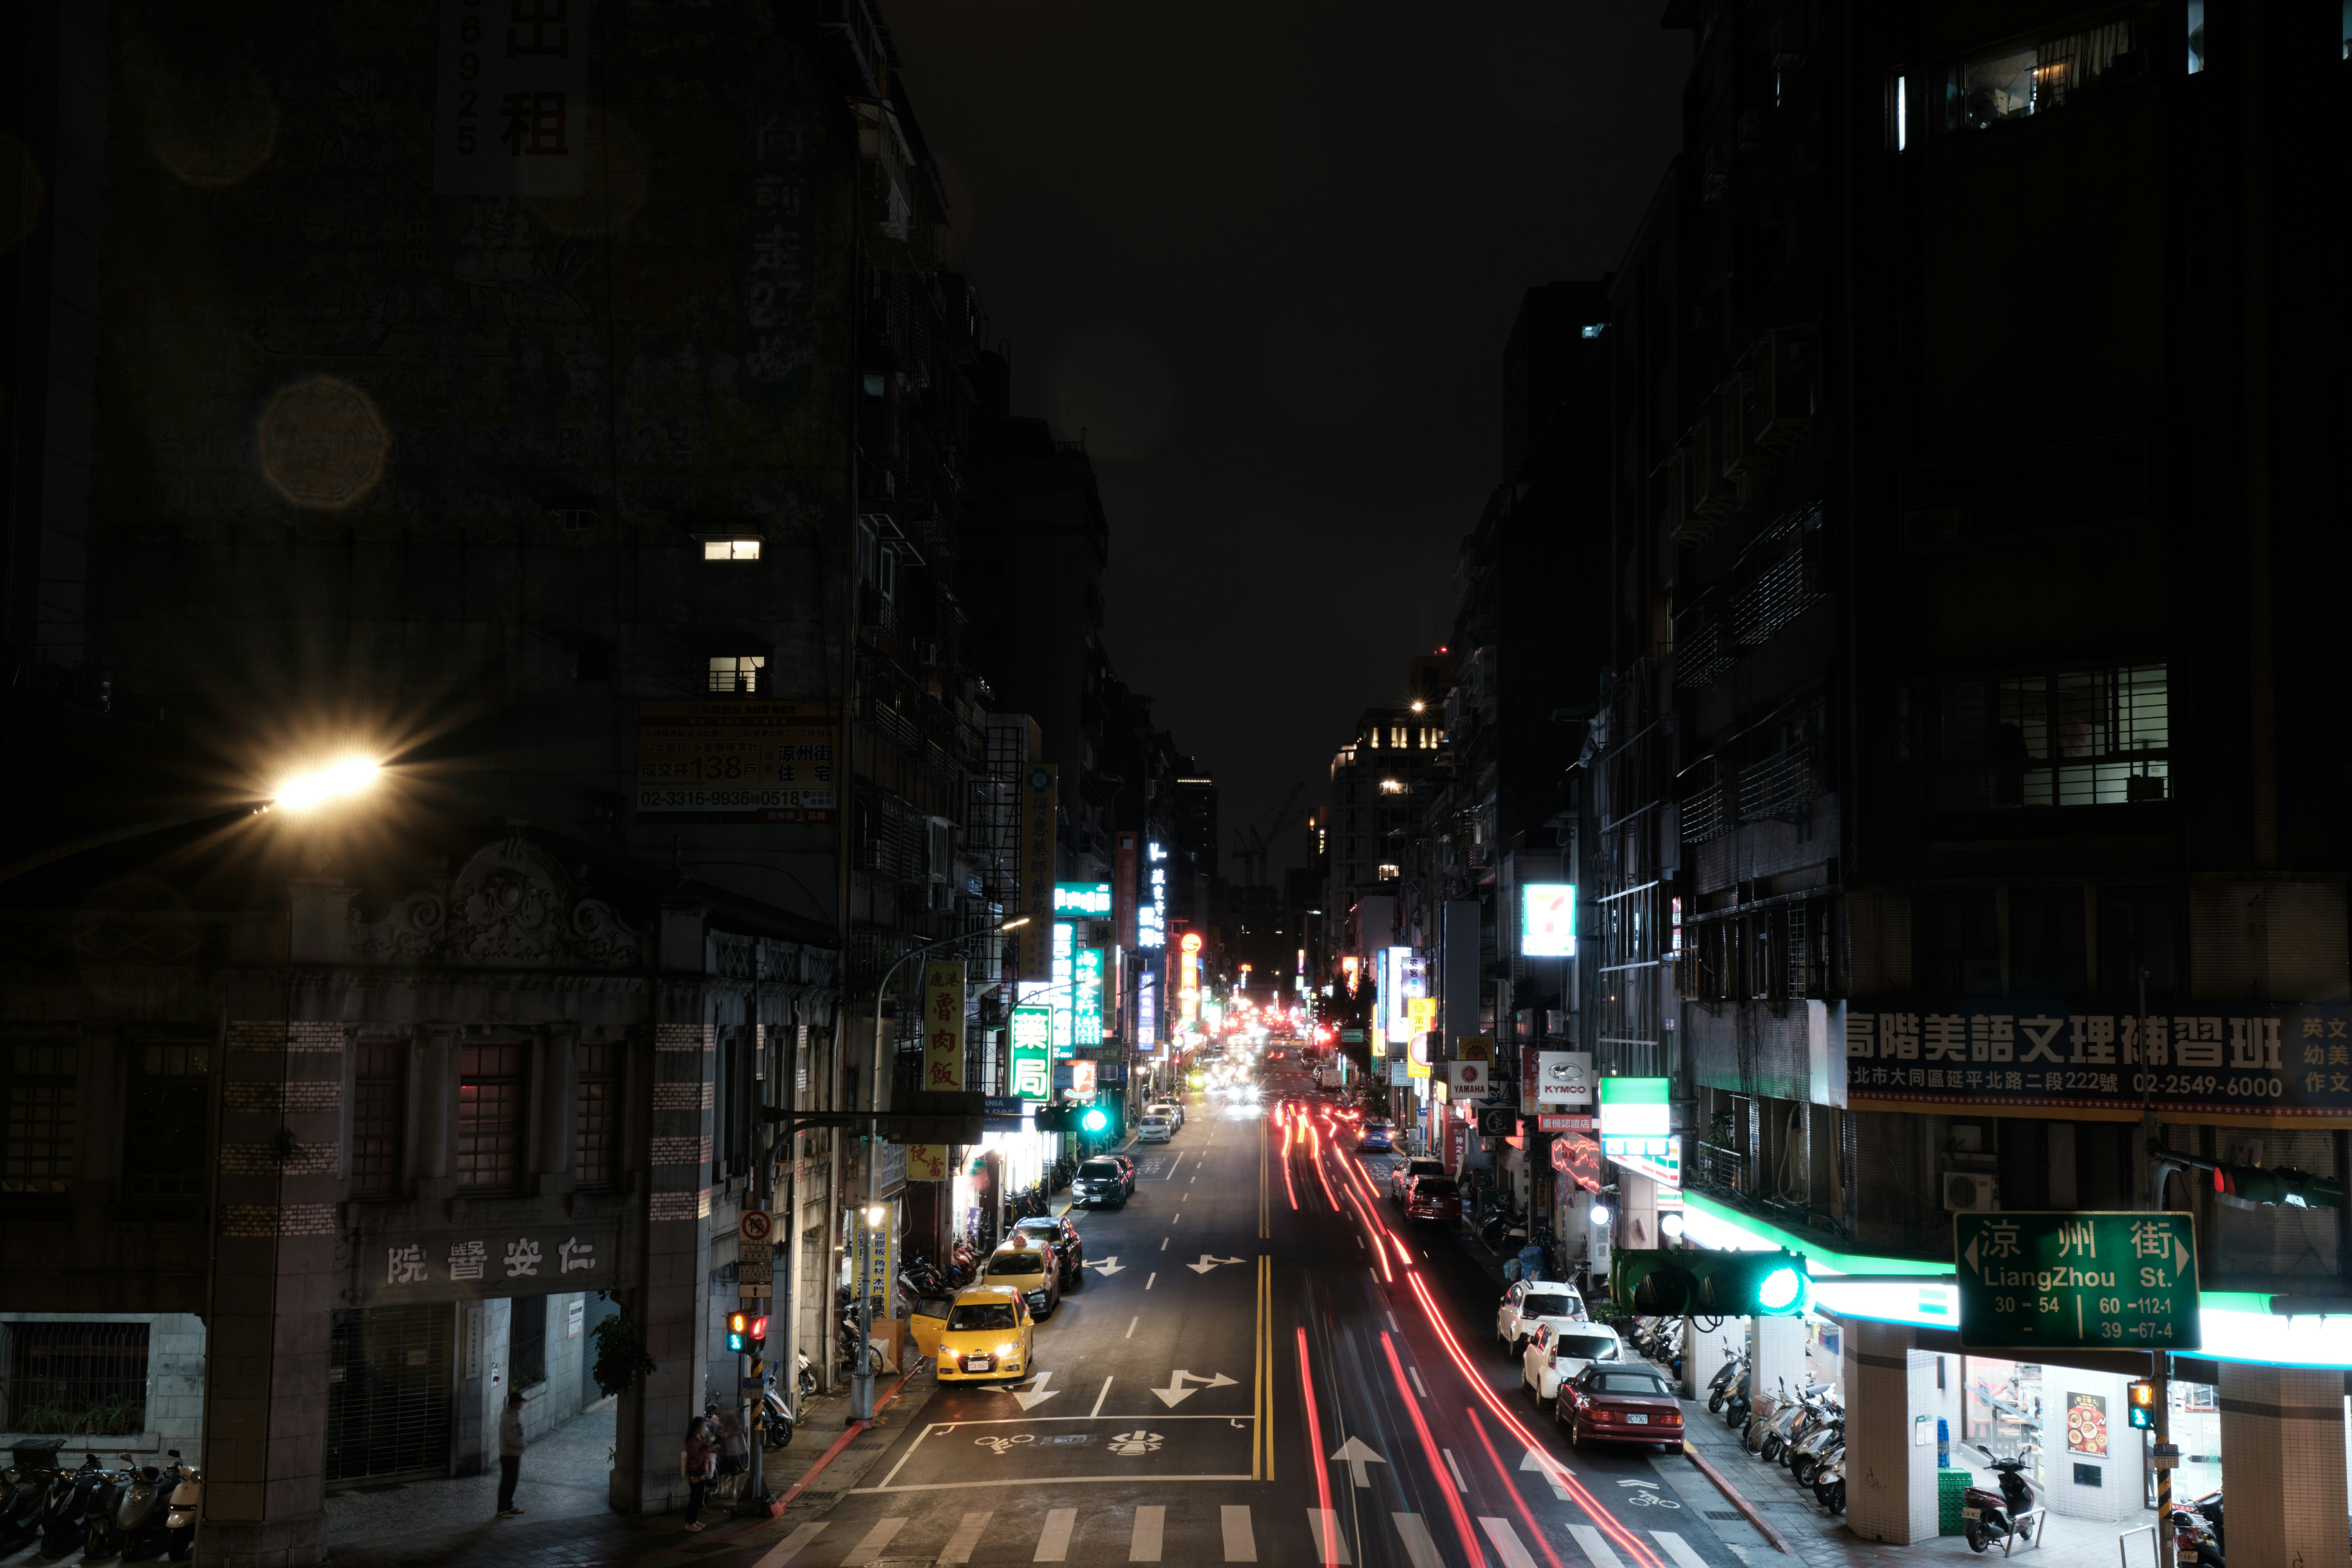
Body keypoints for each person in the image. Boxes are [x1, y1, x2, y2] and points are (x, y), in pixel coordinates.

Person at [681, 1413, 718, 1531]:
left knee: (699, 1498)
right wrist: (710, 1448)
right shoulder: (691, 1441)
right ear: (697, 1427)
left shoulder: (700, 1438)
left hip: (701, 1472)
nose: (704, 1428)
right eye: (703, 1426)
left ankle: (693, 1520)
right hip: (695, 1473)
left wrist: (713, 1444)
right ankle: (689, 1523)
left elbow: (705, 1449)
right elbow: (697, 1457)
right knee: (695, 1499)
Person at [495, 1389, 526, 1518]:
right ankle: (501, 1509)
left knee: (513, 1481)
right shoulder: (508, 1417)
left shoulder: (514, 1415)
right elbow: (510, 1437)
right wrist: (521, 1445)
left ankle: (509, 1506)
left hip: (515, 1453)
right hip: (508, 1454)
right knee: (507, 1482)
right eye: (519, 1403)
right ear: (514, 1403)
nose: (521, 1405)